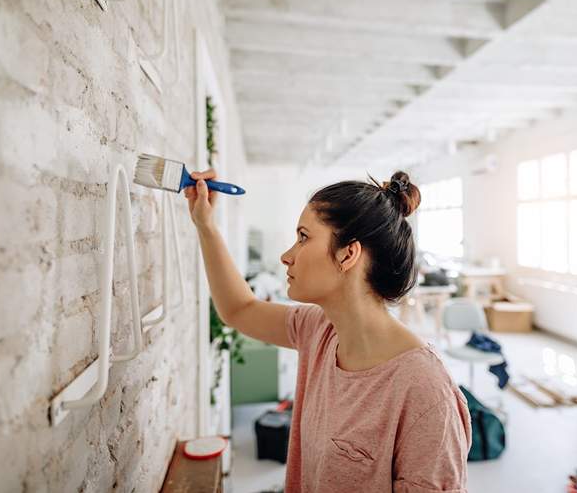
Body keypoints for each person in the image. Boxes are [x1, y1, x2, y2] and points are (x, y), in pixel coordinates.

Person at [185, 169, 472, 492]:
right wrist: (205, 225)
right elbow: (240, 310)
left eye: (303, 237)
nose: (286, 256)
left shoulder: (425, 393)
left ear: (348, 254)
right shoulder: (320, 330)